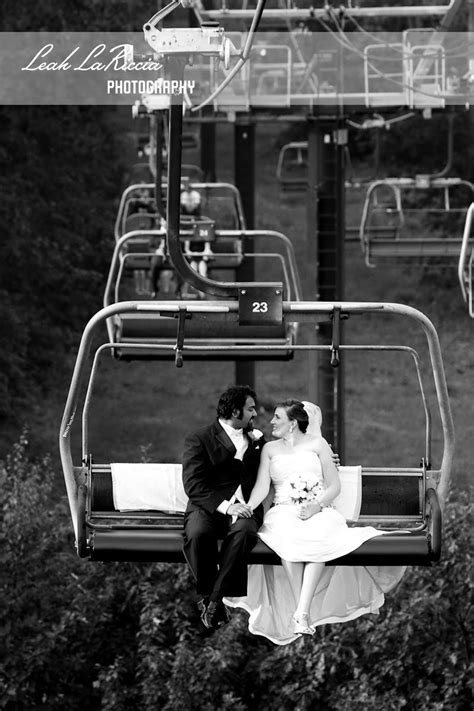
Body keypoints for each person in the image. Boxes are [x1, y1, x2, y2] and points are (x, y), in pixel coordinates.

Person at [225, 399, 406, 645]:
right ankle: (303, 610)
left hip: (317, 507)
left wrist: (316, 506)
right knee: (287, 537)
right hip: (284, 509)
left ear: (293, 423)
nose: (272, 422)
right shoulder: (270, 449)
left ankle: (301, 611)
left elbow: (334, 486)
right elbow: (261, 487)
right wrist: (248, 506)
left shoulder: (318, 445)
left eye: (277, 417)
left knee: (321, 532)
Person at [182, 385, 265, 632]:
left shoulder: (258, 440)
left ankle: (214, 599)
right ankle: (211, 598)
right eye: (250, 409)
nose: (255, 414)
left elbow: (281, 461)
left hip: (247, 506)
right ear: (235, 410)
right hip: (208, 506)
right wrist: (228, 508)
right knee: (197, 533)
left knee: (245, 533)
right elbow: (193, 484)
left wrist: (325, 460)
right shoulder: (199, 438)